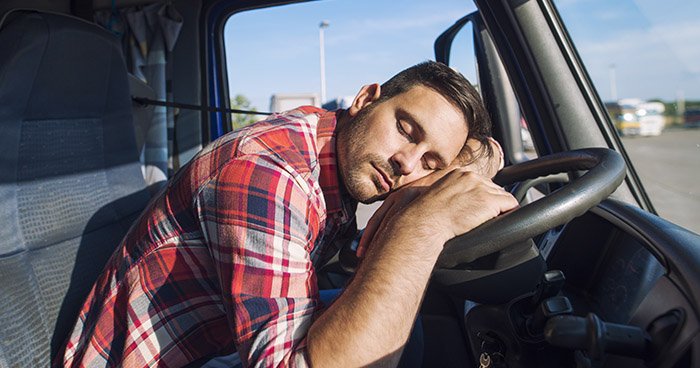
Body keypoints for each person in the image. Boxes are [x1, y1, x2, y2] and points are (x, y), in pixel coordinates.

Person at [56, 61, 517, 368]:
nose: (407, 164)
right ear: (365, 99)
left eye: (432, 164)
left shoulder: (333, 146)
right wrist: (424, 224)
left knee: (404, 327)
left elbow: (485, 155)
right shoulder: (269, 175)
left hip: (212, 343)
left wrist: (448, 179)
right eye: (404, 128)